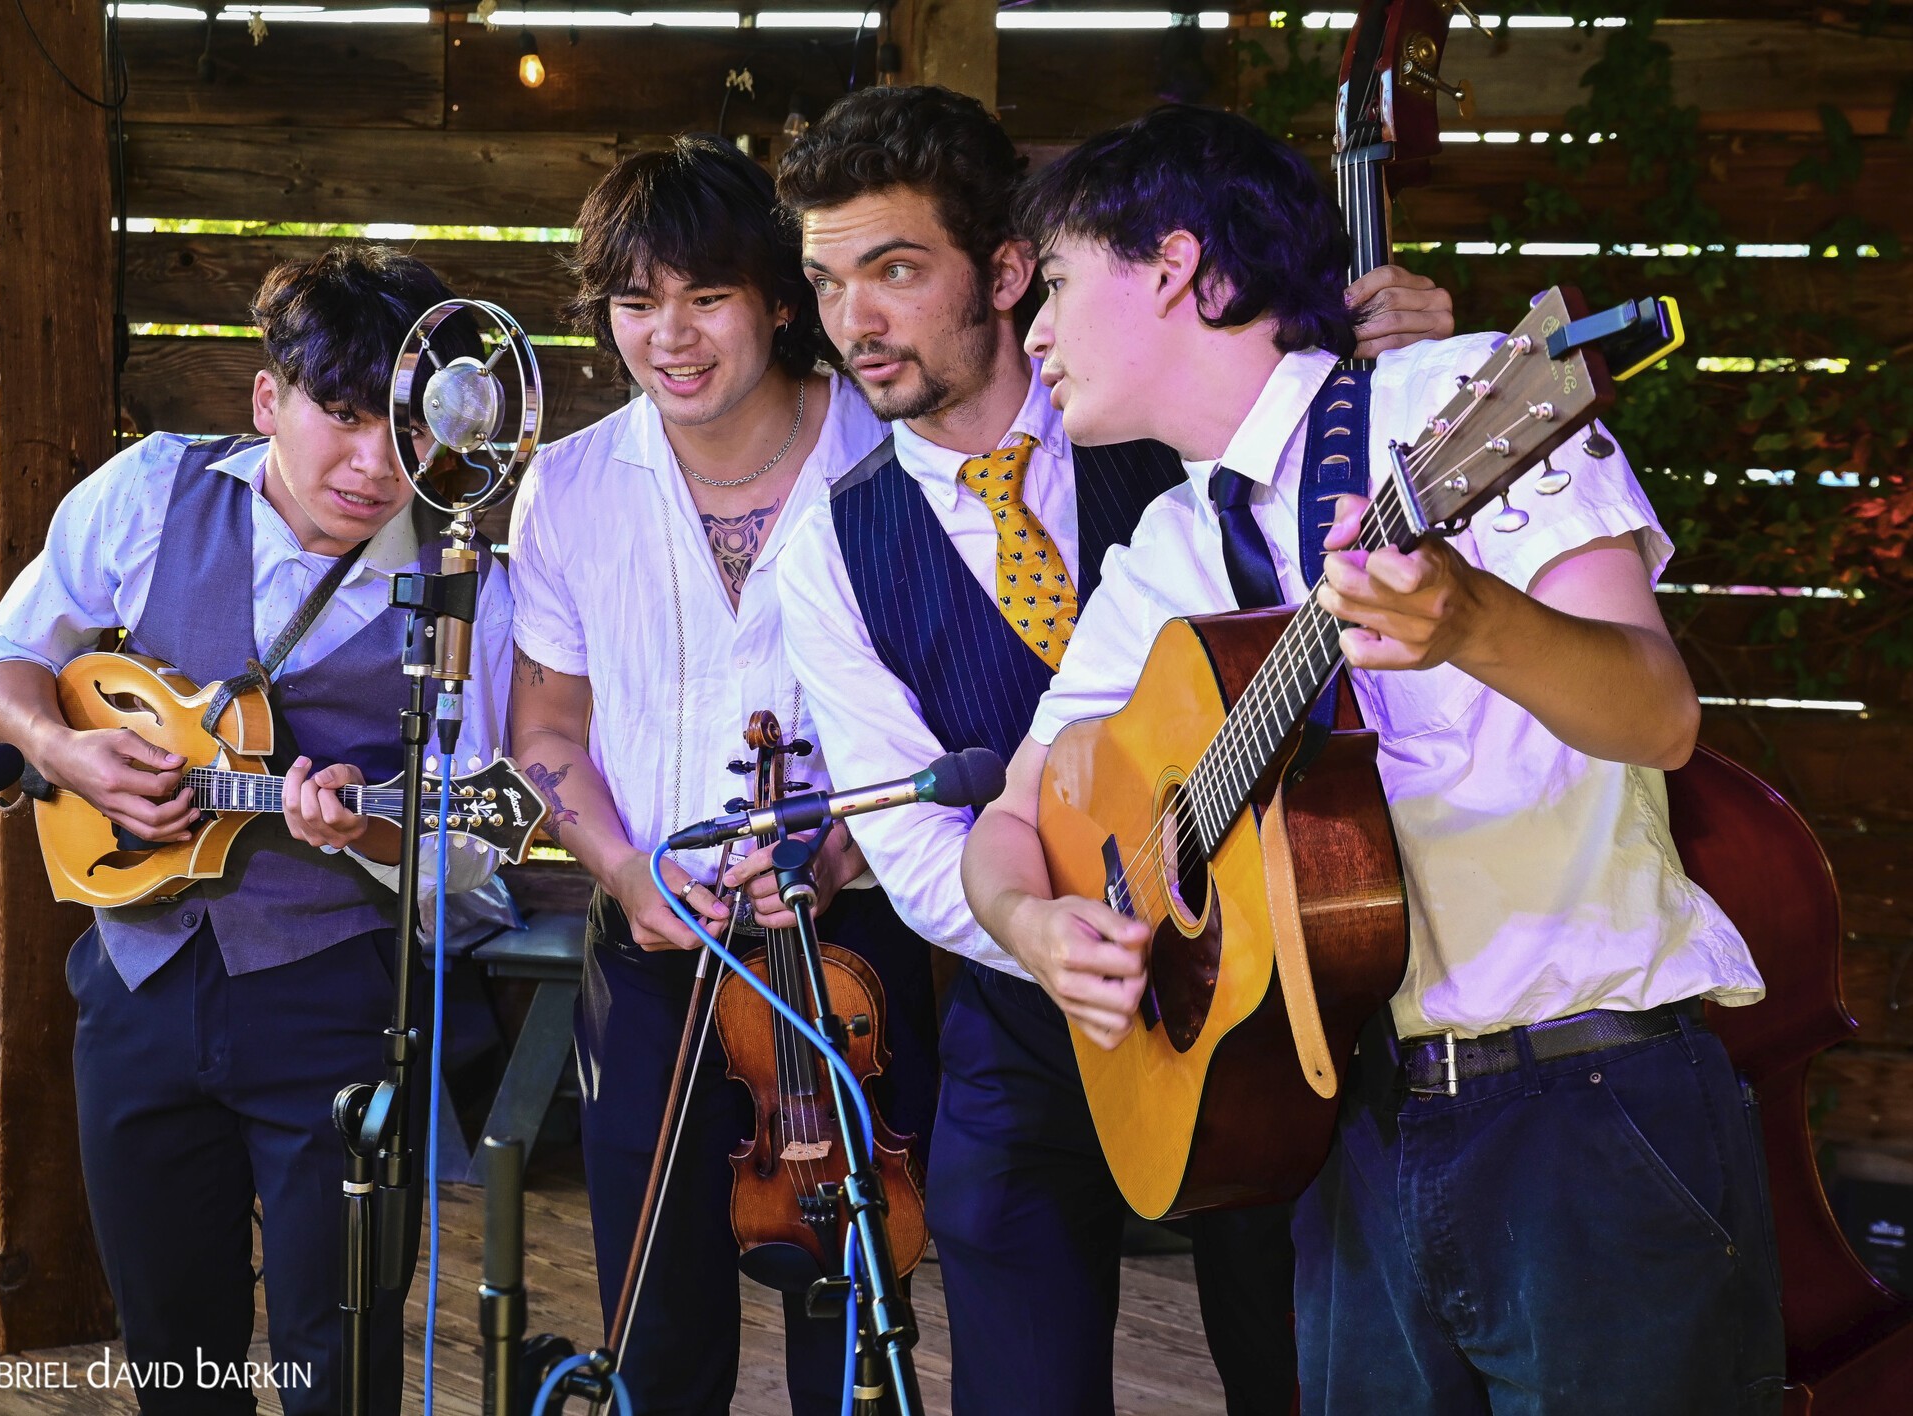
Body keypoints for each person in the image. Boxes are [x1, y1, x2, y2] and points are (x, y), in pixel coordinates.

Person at [961, 104, 1783, 1414]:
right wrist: (1041, 923)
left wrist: (1470, 619)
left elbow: (1657, 713)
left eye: (1053, 285)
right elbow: (1013, 816)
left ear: (1177, 267)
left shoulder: (1450, 403)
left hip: (1583, 1108)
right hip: (1349, 1141)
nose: (1031, 331)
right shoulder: (1169, 547)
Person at [772, 86, 1452, 1415]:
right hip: (1027, 999)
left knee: (1299, 1354)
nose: (854, 320)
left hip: (1271, 974)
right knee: (1009, 1323)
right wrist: (1057, 936)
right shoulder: (828, 553)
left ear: (1013, 270)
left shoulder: (1188, 422)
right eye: (827, 280)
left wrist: (1391, 364)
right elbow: (915, 846)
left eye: (895, 269)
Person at [0, 244, 512, 1416]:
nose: (372, 463)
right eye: (341, 416)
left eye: (403, 430)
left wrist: (359, 834)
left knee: (334, 1363)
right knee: (172, 1349)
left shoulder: (464, 591)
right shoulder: (152, 488)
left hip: (341, 1002)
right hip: (134, 985)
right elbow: (2, 659)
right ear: (269, 401)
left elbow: (475, 839)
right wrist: (62, 752)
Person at [502, 134, 938, 1416]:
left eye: (705, 296)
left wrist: (854, 844)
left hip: (851, 945)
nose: (670, 336)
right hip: (649, 940)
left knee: (851, 1302)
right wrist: (625, 871)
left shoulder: (891, 459)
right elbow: (544, 729)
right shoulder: (569, 486)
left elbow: (965, 713)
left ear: (775, 298)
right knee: (657, 1308)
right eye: (636, 304)